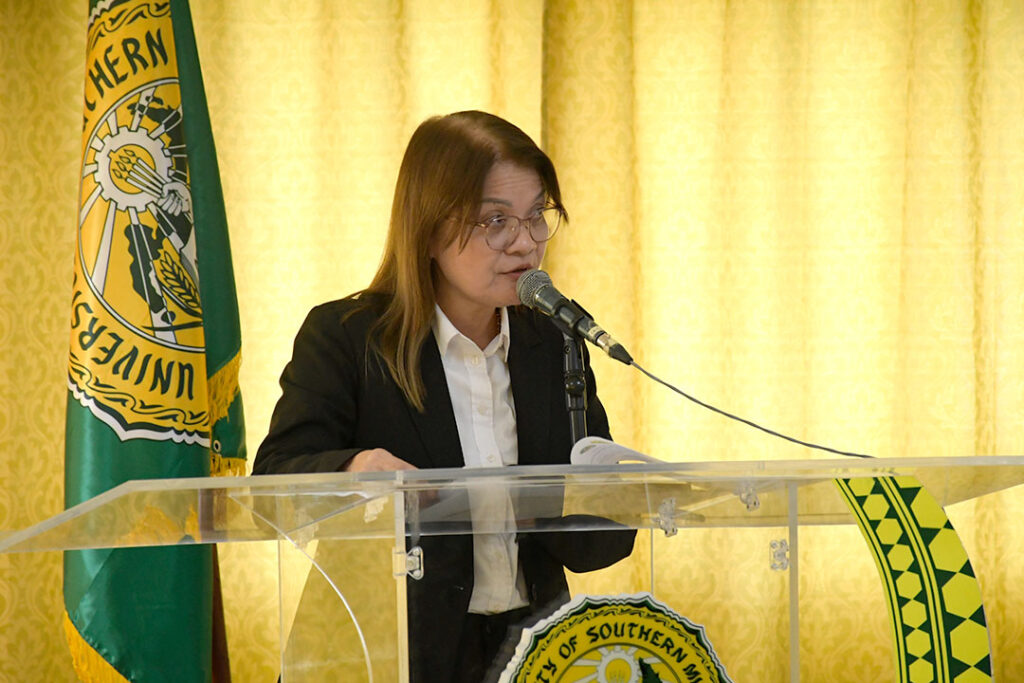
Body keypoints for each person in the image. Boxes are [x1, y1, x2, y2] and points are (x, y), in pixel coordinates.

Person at [253, 111, 634, 682]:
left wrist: (622, 493)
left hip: (528, 652)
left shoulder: (555, 342)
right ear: (430, 231)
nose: (525, 243)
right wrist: (354, 469)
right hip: (384, 654)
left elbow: (593, 545)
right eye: (496, 221)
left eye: (537, 215)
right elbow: (271, 488)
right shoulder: (348, 338)